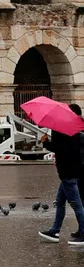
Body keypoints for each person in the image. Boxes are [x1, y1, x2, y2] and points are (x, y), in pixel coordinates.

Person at [38, 103, 84, 246]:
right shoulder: (78, 128)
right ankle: (55, 231)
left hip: (67, 172)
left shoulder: (60, 129)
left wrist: (45, 143)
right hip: (77, 170)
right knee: (60, 202)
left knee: (76, 205)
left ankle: (83, 233)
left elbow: (59, 148)